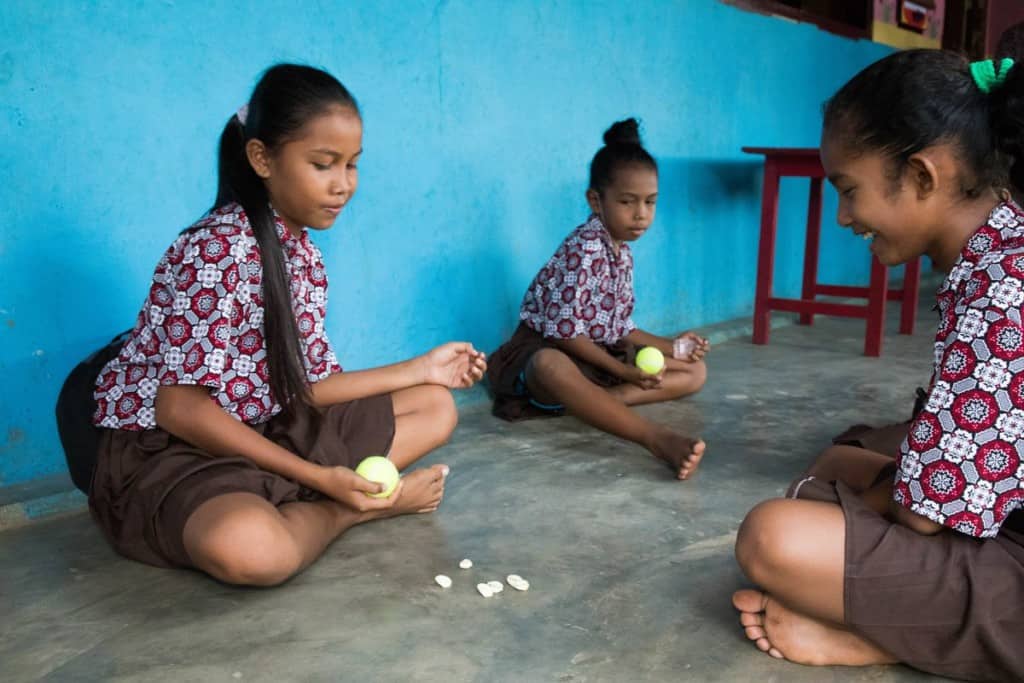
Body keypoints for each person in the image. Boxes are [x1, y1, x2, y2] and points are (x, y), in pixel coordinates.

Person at [86, 64, 486, 586]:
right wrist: (318, 476)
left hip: (263, 423)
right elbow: (180, 408)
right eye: (324, 164)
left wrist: (421, 368)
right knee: (255, 552)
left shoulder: (302, 255)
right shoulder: (215, 250)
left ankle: (304, 497)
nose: (343, 185)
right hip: (175, 445)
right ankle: (352, 508)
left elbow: (307, 389)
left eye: (352, 165)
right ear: (261, 158)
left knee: (434, 405)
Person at [731, 50, 1024, 681]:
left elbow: (926, 513)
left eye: (848, 190)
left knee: (774, 537)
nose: (842, 217)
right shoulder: (998, 252)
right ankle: (909, 624)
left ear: (922, 175)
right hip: (1004, 511)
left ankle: (895, 636)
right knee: (838, 462)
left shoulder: (1004, 288)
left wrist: (861, 505)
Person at [486, 119, 707, 480]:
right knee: (548, 365)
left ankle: (599, 404)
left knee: (695, 372)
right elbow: (564, 334)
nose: (641, 215)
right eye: (627, 202)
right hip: (554, 353)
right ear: (596, 200)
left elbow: (620, 327)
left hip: (597, 361)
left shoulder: (623, 252)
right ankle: (654, 438)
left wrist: (674, 347)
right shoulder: (585, 248)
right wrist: (621, 371)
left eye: (650, 203)